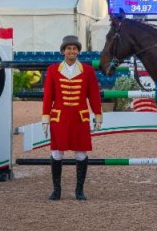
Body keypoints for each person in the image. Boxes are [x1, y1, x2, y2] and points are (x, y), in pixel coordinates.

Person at [42, 35, 103, 201]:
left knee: (81, 153)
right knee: (56, 153)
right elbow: (48, 97)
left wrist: (98, 114)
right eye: (68, 48)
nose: (71, 51)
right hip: (59, 117)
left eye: (74, 48)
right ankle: (56, 190)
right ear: (63, 51)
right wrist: (45, 118)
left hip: (79, 117)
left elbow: (94, 96)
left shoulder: (88, 71)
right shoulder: (53, 70)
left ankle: (79, 190)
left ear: (78, 51)